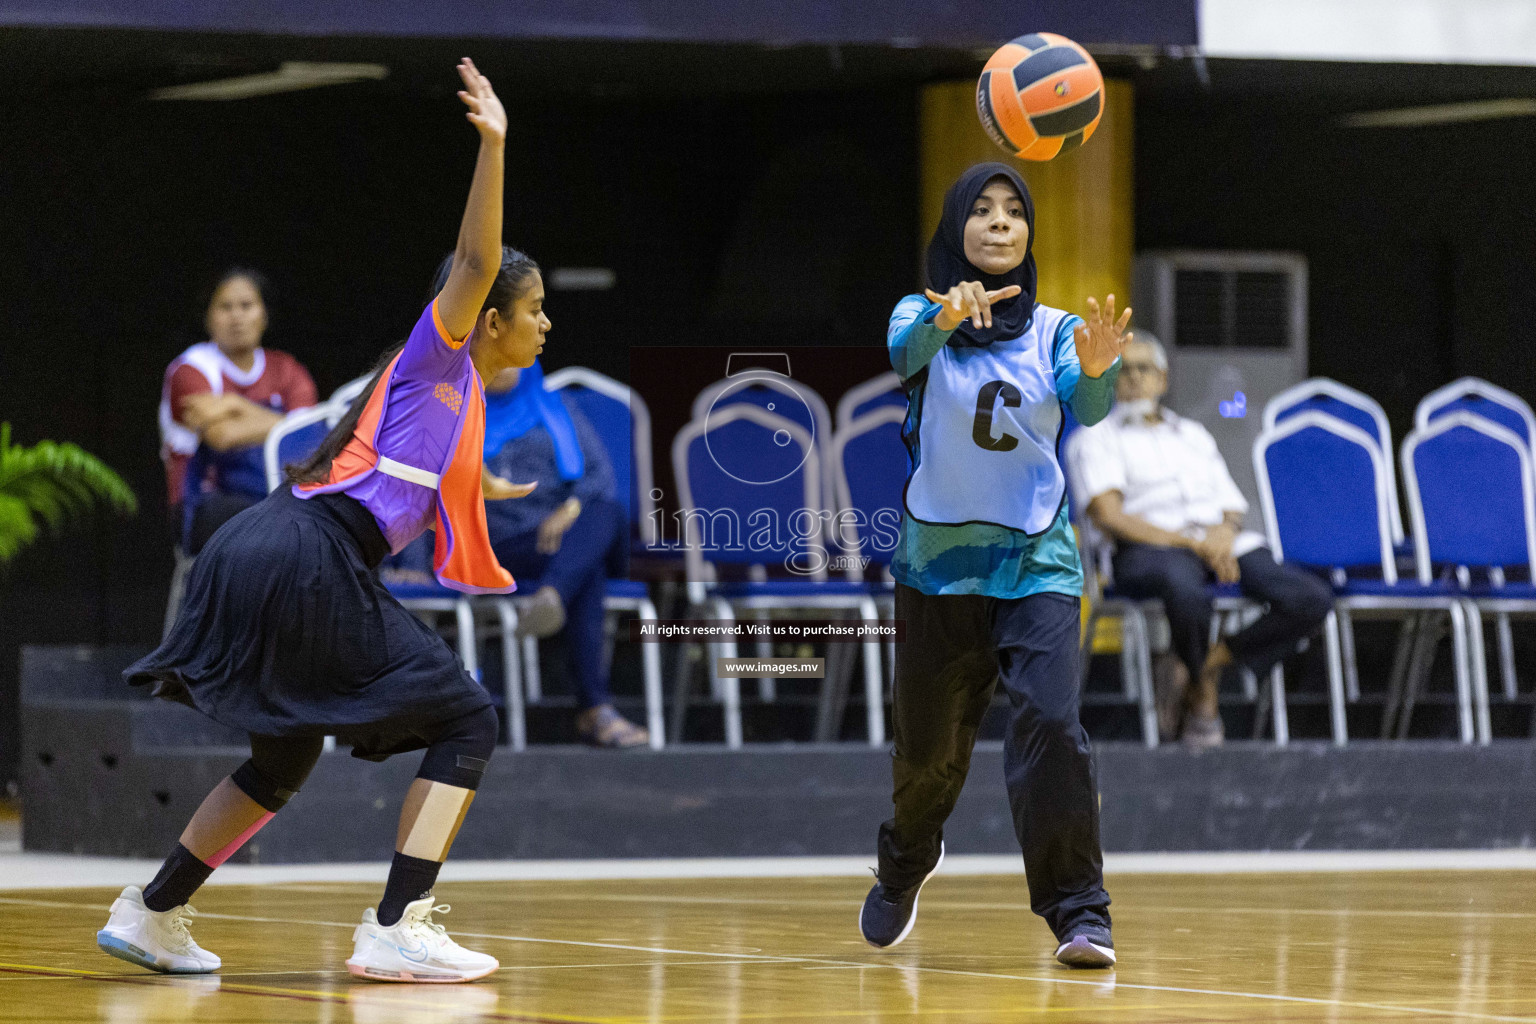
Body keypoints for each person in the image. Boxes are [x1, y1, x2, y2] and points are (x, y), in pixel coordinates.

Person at [100, 58, 533, 984]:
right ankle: (398, 922)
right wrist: (493, 147)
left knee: (283, 756)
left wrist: (485, 491)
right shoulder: (440, 349)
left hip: (260, 540)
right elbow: (473, 260)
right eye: (534, 311)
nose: (544, 328)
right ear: (488, 319)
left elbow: (411, 475)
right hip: (306, 552)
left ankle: (152, 911)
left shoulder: (446, 399)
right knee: (467, 716)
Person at [859, 163, 1126, 968]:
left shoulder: (1052, 332)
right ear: (954, 229)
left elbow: (1087, 406)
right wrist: (946, 317)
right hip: (936, 570)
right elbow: (907, 351)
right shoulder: (918, 314)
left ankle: (1081, 913)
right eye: (982, 210)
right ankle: (906, 861)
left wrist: (1103, 366)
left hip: (1035, 564)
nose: (1001, 223)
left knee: (1051, 726)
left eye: (1014, 212)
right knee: (928, 757)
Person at [1065, 333, 1333, 747]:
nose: (1134, 378)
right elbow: (1109, 516)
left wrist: (1222, 536)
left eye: (1144, 369)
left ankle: (1204, 666)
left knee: (1309, 597)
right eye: (1124, 370)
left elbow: (1230, 506)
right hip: (1143, 549)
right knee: (1186, 591)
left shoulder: (1192, 434)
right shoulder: (1095, 437)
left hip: (1217, 543)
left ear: (1163, 379)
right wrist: (1193, 544)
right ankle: (1205, 696)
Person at [480, 360, 649, 748]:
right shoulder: (458, 416)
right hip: (509, 543)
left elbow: (600, 477)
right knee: (585, 574)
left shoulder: (556, 408)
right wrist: (415, 565)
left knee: (606, 511)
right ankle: (596, 710)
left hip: (572, 530)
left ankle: (553, 592)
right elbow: (431, 494)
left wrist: (569, 509)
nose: (502, 366)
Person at [158, 268, 317, 553]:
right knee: (273, 525)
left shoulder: (288, 369)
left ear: (264, 314)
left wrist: (236, 405)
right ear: (208, 316)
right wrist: (285, 424)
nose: (236, 316)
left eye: (246, 306)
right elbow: (222, 435)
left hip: (278, 496)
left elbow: (310, 438)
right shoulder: (191, 369)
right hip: (204, 504)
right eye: (225, 307)